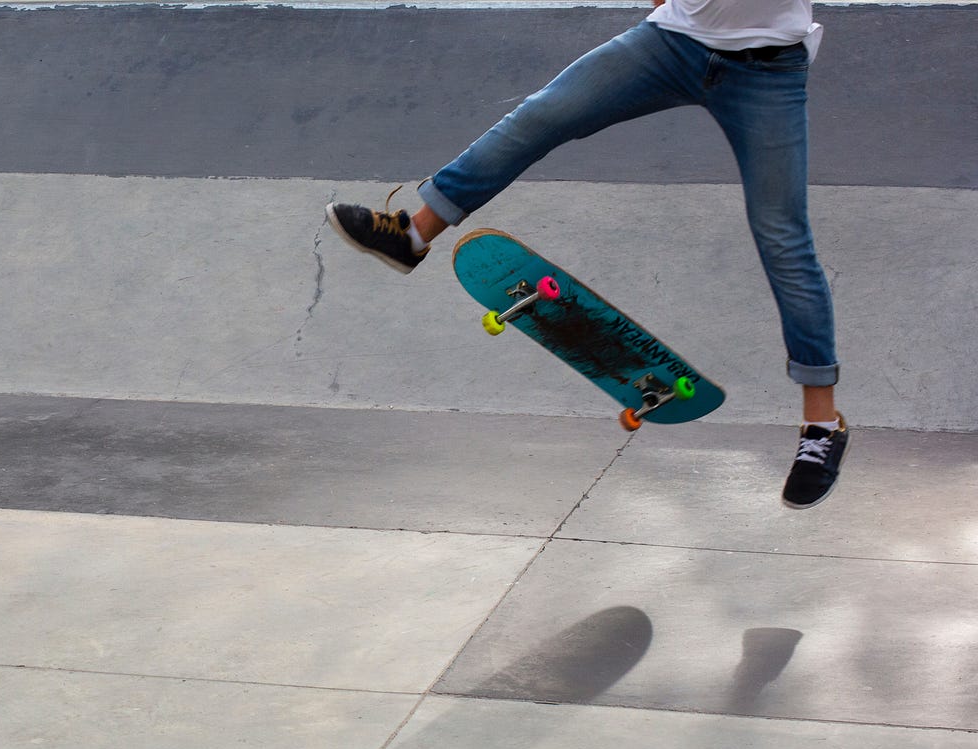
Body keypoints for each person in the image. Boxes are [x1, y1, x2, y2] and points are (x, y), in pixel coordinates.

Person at [326, 0, 848, 509]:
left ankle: (821, 425)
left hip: (767, 69)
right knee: (545, 112)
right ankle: (412, 234)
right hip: (674, 40)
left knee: (782, 236)